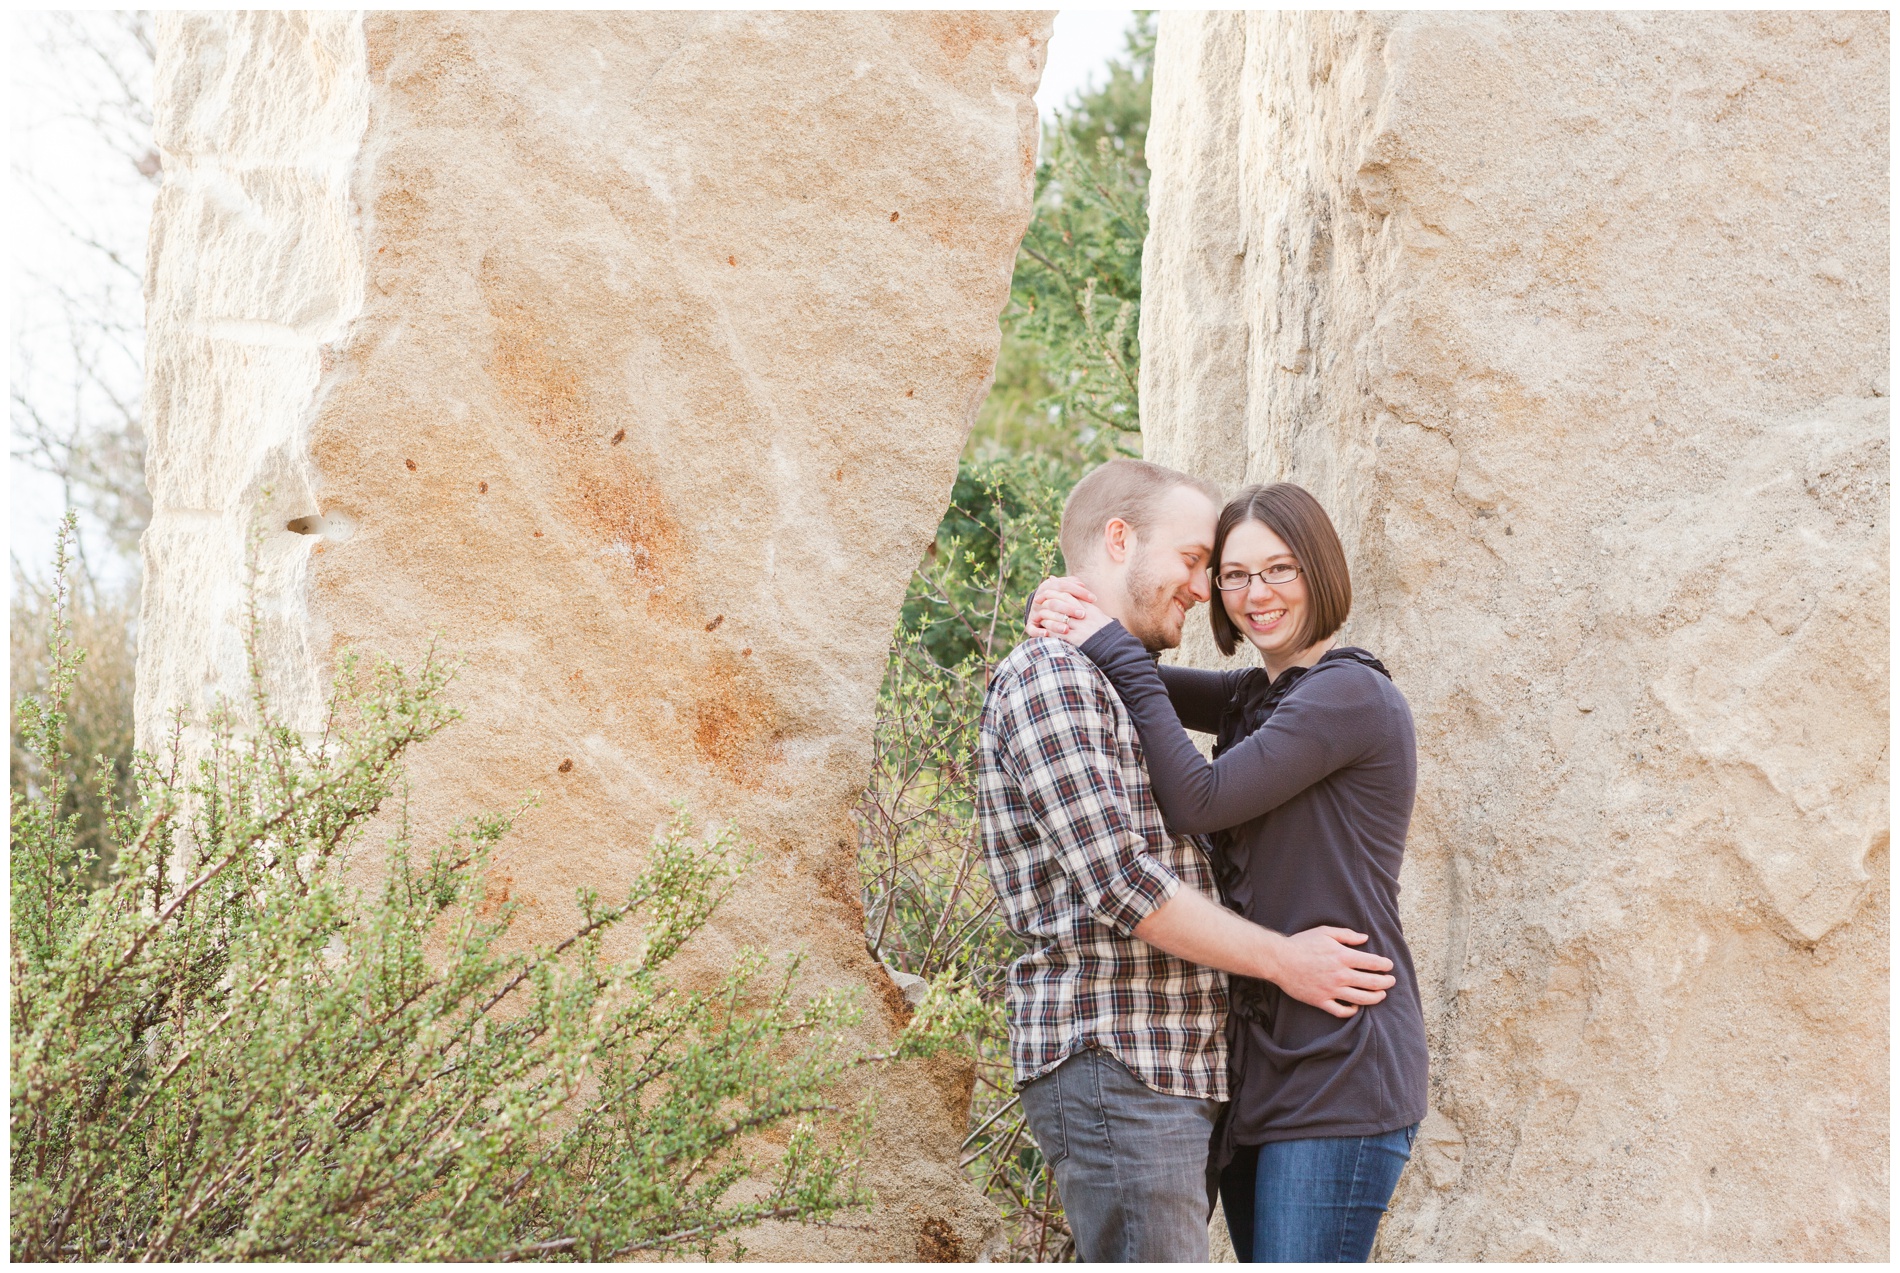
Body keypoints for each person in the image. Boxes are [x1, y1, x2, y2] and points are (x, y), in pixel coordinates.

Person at [977, 460, 1398, 1263]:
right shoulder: (1053, 678)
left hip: (1187, 1073)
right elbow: (1122, 882)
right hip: (1119, 1059)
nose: (1214, 590)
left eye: (1266, 569)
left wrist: (1094, 628)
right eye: (1203, 562)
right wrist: (1283, 961)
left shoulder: (1121, 679)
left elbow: (1178, 732)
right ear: (1118, 539)